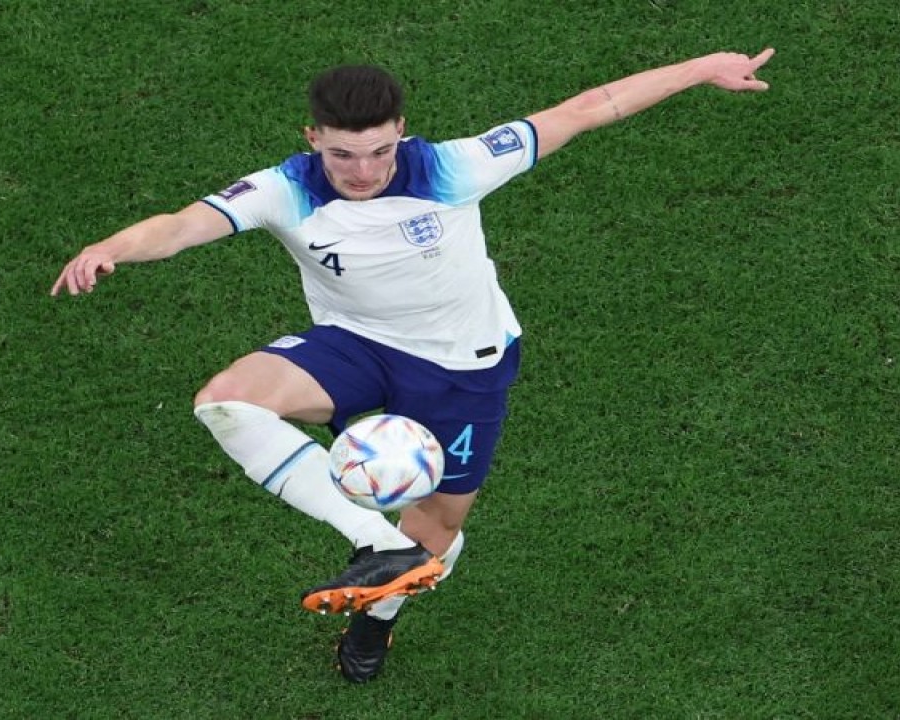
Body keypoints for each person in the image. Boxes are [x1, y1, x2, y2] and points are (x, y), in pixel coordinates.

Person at [51, 48, 775, 682]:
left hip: (464, 367)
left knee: (434, 532)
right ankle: (372, 538)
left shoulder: (455, 166)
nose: (362, 171)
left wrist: (702, 69)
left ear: (401, 130)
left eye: (378, 151)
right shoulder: (283, 188)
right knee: (228, 400)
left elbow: (587, 109)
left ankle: (377, 618)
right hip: (356, 344)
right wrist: (111, 248)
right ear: (313, 138)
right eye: (343, 155)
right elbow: (182, 225)